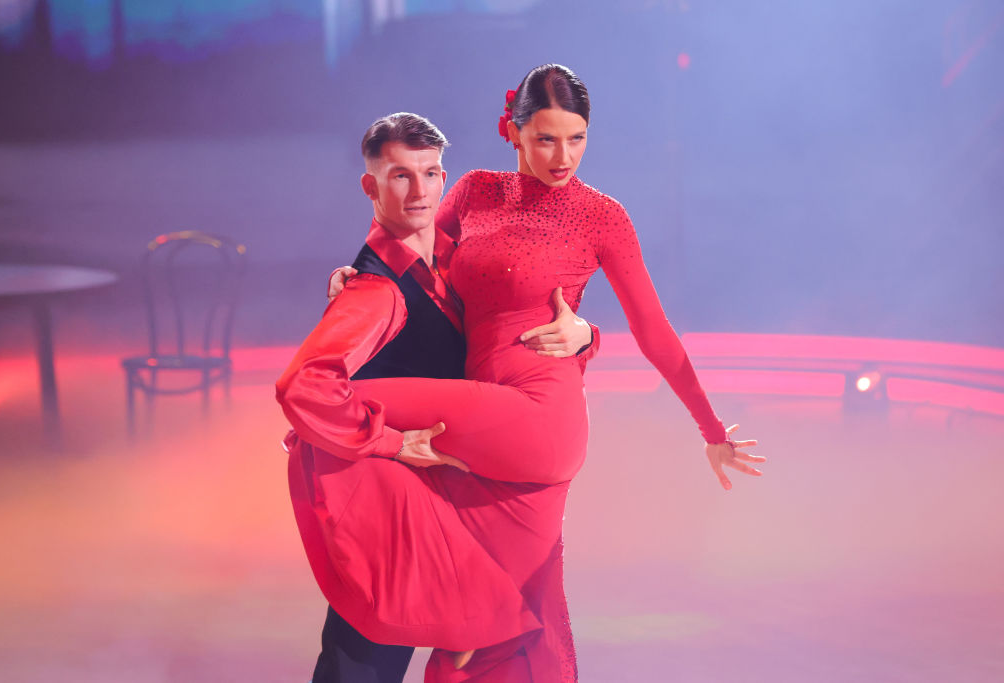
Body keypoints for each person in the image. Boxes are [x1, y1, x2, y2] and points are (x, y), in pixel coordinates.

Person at [312, 63, 766, 680]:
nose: (563, 156)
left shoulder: (602, 215)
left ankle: (308, 422)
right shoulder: (473, 191)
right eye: (547, 138)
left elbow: (656, 333)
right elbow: (414, 249)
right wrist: (360, 273)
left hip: (537, 419)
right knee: (491, 627)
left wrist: (709, 428)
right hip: (482, 415)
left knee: (342, 398)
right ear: (514, 132)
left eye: (576, 138)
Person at [277, 112, 598, 682]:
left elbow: (525, 335)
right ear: (370, 186)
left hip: (464, 505)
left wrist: (585, 336)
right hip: (395, 513)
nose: (419, 191)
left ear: (445, 178)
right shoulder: (374, 291)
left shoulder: (465, 257)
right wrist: (393, 441)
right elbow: (305, 385)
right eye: (400, 176)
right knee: (365, 661)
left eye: (429, 173)